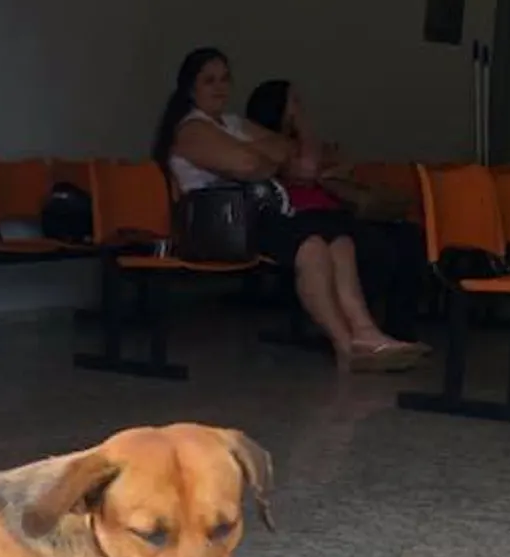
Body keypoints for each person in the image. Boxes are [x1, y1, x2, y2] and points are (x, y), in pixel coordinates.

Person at [154, 47, 425, 373]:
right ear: (190, 88)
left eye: (225, 79)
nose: (220, 87)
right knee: (311, 245)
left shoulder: (231, 123)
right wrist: (262, 156)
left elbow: (291, 153)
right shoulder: (190, 129)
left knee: (339, 239)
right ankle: (345, 346)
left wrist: (260, 155)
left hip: (259, 213)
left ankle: (366, 333)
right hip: (223, 223)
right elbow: (248, 165)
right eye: (209, 80)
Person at [243, 78, 426, 345]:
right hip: (302, 218)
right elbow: (308, 167)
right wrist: (303, 128)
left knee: (409, 238)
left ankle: (400, 332)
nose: (300, 108)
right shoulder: (270, 143)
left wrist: (324, 167)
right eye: (294, 102)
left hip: (337, 211)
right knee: (376, 248)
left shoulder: (303, 145)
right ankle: (349, 323)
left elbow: (333, 163)